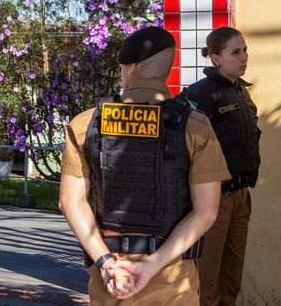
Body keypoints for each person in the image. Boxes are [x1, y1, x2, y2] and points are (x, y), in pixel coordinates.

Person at [59, 26, 230, 304]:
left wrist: (106, 263)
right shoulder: (195, 126)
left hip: (111, 280)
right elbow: (206, 212)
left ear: (131, 67)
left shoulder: (85, 124)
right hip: (172, 279)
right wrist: (151, 267)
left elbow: (70, 202)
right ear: (167, 70)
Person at [187, 26, 261, 306]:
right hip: (213, 200)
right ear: (216, 58)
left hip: (241, 196)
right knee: (207, 287)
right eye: (235, 52)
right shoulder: (200, 94)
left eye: (245, 51)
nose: (243, 57)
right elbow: (186, 147)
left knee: (231, 285)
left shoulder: (241, 92)